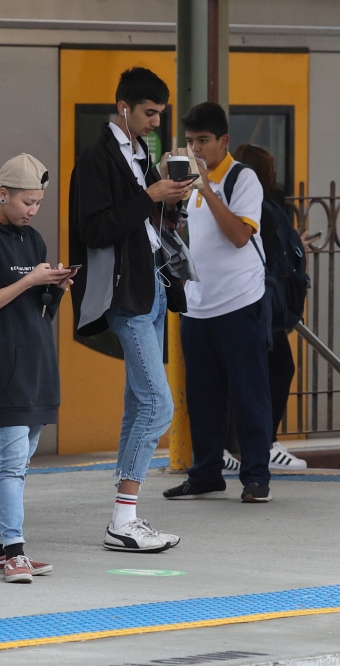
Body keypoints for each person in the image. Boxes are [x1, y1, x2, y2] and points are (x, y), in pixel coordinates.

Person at [70, 67, 191, 552]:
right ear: (124, 107)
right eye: (148, 113)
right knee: (159, 404)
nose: (154, 123)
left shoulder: (144, 155)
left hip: (152, 285)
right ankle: (124, 518)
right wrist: (149, 196)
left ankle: (125, 517)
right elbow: (94, 229)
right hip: (125, 293)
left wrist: (171, 202)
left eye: (159, 115)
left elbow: (145, 224)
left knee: (140, 402)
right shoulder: (97, 159)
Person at [0, 154, 74, 583]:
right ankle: (16, 552)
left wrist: (54, 288)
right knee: (9, 461)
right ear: (2, 195)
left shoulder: (33, 240)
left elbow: (37, 311)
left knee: (20, 462)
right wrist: (28, 281)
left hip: (34, 361)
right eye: (27, 201)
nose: (32, 211)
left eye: (38, 203)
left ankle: (1, 550)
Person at [162, 103, 274, 503]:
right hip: (199, 303)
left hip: (240, 301)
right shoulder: (189, 184)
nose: (196, 150)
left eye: (203, 141)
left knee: (249, 393)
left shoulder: (242, 179)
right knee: (202, 397)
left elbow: (239, 236)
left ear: (223, 141)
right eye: (190, 142)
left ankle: (256, 476)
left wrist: (207, 188)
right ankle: (206, 472)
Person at [228, 143, 309, 471]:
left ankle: (250, 445)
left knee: (263, 372)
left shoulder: (261, 203)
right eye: (270, 168)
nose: (276, 174)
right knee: (271, 371)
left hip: (260, 304)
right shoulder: (258, 204)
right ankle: (259, 445)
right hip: (259, 304)